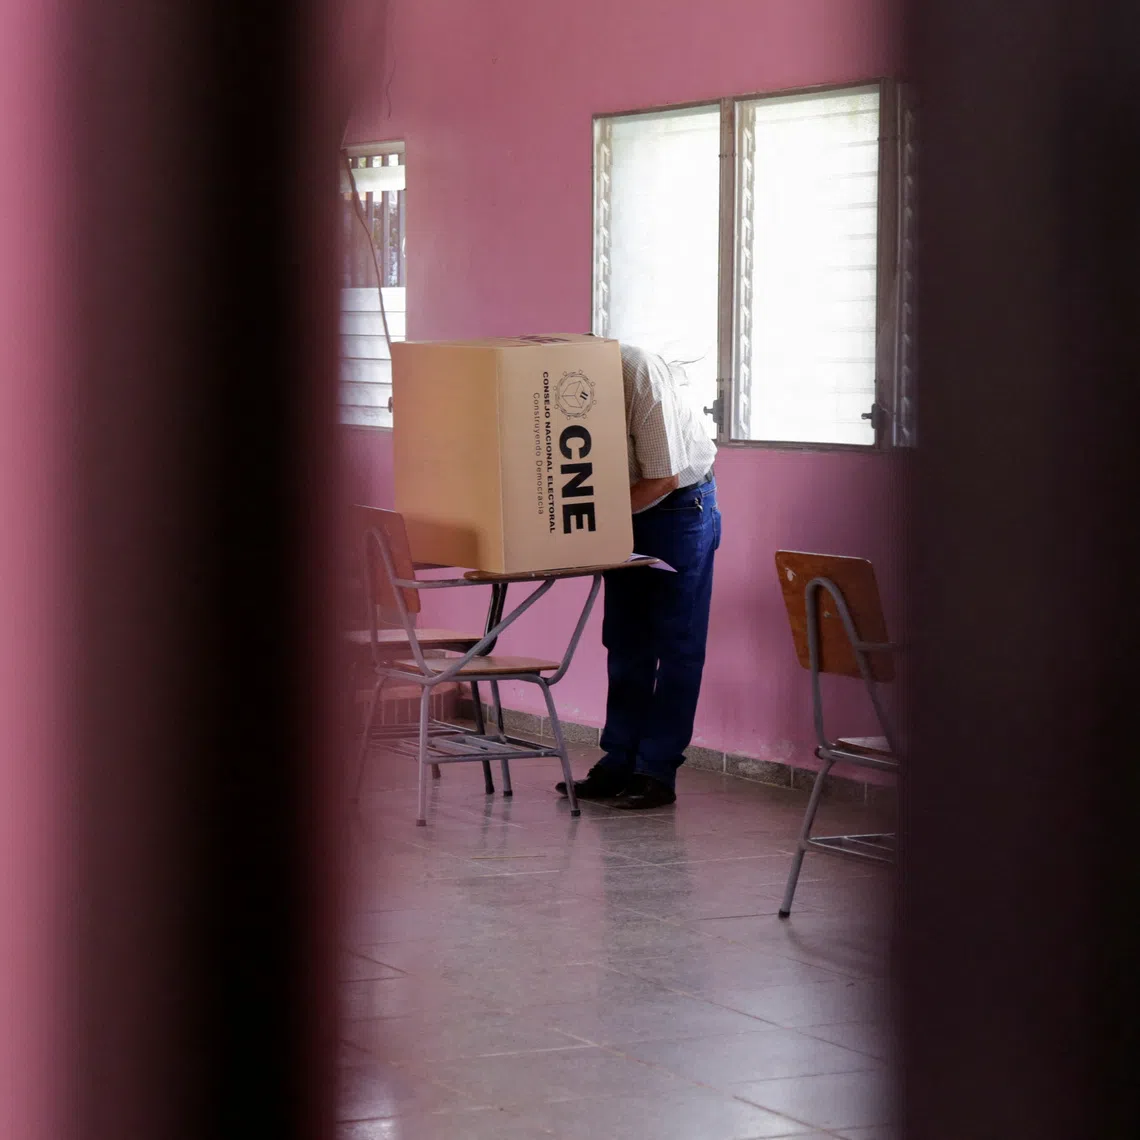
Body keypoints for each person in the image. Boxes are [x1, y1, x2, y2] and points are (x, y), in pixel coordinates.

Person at [557, 343, 720, 809]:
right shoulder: (551, 384)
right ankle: (618, 760)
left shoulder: (636, 374)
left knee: (677, 646)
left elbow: (663, 478)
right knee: (625, 642)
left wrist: (594, 522)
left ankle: (657, 771)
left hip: (678, 507)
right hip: (624, 504)